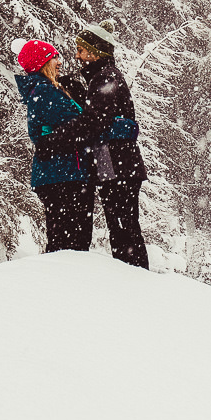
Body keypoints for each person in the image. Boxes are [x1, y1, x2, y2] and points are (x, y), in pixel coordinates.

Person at [68, 20, 150, 268]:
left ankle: (134, 276)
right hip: (116, 165)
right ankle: (133, 274)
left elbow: (94, 122)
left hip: (117, 166)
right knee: (123, 227)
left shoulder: (106, 78)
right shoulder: (103, 77)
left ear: (95, 52)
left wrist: (63, 135)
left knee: (123, 229)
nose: (77, 56)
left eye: (81, 50)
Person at [13, 39, 100, 253]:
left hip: (63, 173)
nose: (59, 62)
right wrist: (91, 120)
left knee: (67, 241)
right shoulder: (45, 92)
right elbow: (72, 128)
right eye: (54, 58)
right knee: (70, 243)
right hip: (63, 175)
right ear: (42, 63)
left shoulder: (51, 89)